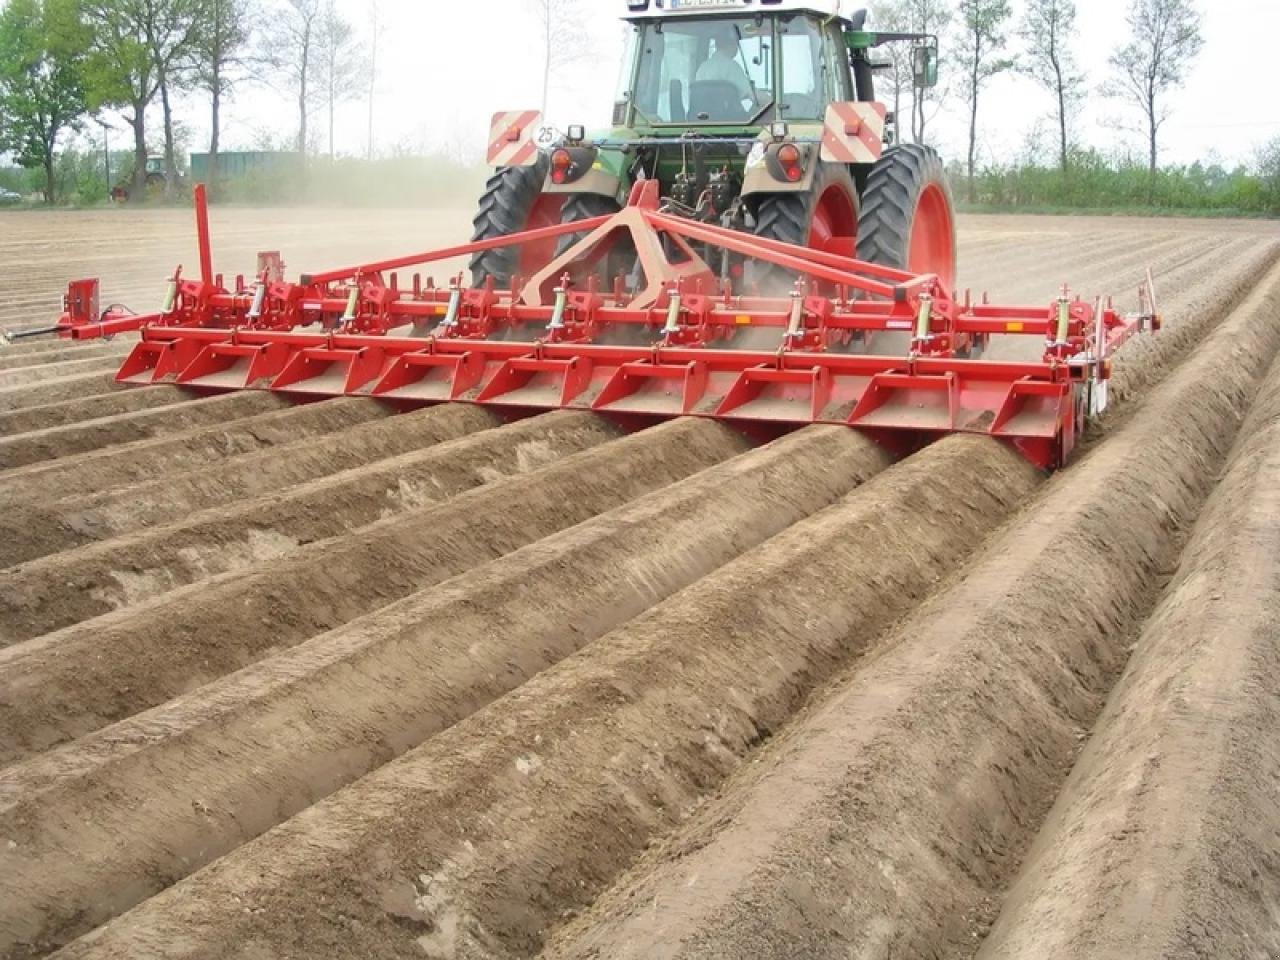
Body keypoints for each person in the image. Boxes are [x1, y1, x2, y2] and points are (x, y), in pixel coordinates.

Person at [694, 26, 755, 102]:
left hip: (702, 112)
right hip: (728, 113)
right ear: (733, 45)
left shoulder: (702, 67)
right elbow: (751, 94)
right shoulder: (731, 67)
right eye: (736, 43)